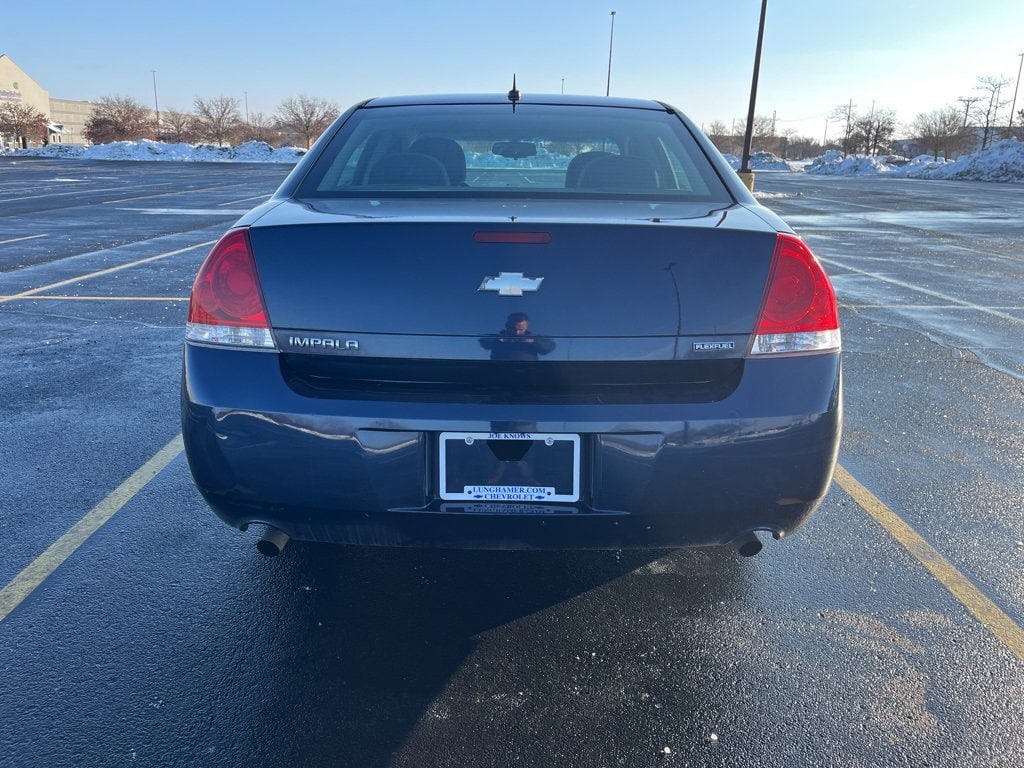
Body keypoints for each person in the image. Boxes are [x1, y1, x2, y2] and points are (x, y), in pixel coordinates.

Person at [479, 313, 555, 361]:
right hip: (500, 373)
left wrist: (533, 341)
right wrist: (500, 340)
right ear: (507, 326)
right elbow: (483, 341)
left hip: (529, 375)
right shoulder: (497, 337)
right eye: (513, 329)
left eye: (521, 329)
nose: (517, 332)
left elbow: (549, 347)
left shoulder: (535, 339)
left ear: (526, 326)